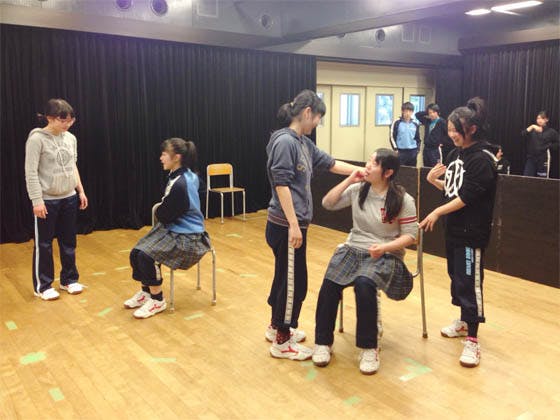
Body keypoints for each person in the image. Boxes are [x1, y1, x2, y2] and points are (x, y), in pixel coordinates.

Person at [265, 89, 363, 360]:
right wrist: (293, 225)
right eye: (319, 117)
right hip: (286, 225)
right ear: (308, 113)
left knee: (285, 277)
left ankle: (275, 327)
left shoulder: (303, 143)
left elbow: (331, 164)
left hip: (292, 225)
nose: (318, 123)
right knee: (293, 283)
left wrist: (359, 171)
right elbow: (281, 185)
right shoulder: (285, 142)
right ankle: (282, 341)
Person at [312, 149, 417, 375]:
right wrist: (350, 179)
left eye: (374, 163)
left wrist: (384, 248)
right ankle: (323, 342)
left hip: (387, 254)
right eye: (368, 161)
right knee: (330, 283)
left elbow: (411, 236)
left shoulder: (403, 199)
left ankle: (369, 347)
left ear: (388, 172)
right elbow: (327, 203)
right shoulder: (358, 189)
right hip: (354, 248)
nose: (368, 166)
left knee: (364, 283)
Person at [419, 97, 497, 368]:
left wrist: (437, 212)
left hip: (471, 232)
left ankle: (473, 340)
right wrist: (434, 181)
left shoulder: (483, 159)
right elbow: (453, 190)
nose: (451, 134)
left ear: (472, 129)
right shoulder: (455, 155)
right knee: (457, 279)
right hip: (453, 229)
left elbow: (467, 197)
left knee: (470, 284)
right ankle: (464, 322)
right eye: (450, 129)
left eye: (456, 130)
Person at [124, 138, 211, 319]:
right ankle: (147, 292)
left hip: (189, 239)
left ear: (176, 157)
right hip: (175, 229)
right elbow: (199, 193)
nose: (161, 158)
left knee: (147, 256)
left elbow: (164, 215)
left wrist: (168, 208)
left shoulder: (181, 184)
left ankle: (157, 300)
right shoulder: (185, 174)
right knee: (136, 252)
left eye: (164, 154)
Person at [25, 99, 88, 301]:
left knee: (68, 241)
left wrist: (80, 190)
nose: (67, 124)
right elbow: (31, 172)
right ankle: (43, 286)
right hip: (47, 199)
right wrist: (37, 200)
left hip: (68, 197)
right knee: (44, 244)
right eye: (63, 120)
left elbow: (72, 166)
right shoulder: (36, 139)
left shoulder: (70, 138)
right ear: (50, 118)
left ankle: (69, 279)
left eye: (71, 120)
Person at [522, 111, 559, 177]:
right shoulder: (533, 129)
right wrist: (532, 126)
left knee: (542, 180)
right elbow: (523, 134)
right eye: (538, 118)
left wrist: (549, 146)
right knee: (526, 178)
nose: (539, 120)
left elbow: (558, 142)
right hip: (531, 158)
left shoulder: (551, 132)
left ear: (546, 120)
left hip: (543, 159)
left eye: (542, 118)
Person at [415, 103, 453, 167]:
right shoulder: (427, 121)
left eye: (434, 112)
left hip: (435, 150)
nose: (432, 114)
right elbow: (417, 115)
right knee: (425, 168)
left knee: (436, 167)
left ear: (437, 112)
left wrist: (442, 142)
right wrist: (426, 112)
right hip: (426, 149)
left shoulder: (442, 122)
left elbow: (449, 134)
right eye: (430, 113)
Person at [390, 102, 421, 166]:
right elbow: (392, 137)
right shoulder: (396, 122)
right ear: (402, 111)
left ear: (412, 112)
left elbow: (417, 138)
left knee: (412, 171)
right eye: (406, 111)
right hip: (401, 151)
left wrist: (417, 149)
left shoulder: (415, 124)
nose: (408, 113)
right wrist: (395, 149)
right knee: (401, 170)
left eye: (410, 111)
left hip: (413, 151)